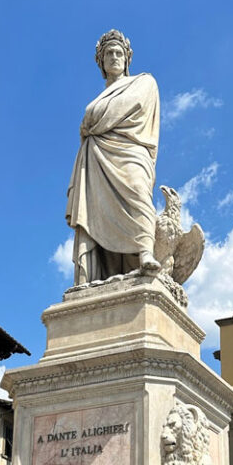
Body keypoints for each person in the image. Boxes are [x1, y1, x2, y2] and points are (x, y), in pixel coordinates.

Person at [66, 29, 162, 284]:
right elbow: (92, 117)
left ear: (127, 58)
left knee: (138, 193)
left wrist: (92, 119)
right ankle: (94, 274)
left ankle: (145, 254)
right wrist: (92, 119)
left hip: (131, 150)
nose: (114, 57)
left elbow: (126, 107)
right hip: (97, 158)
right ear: (101, 62)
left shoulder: (143, 82)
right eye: (108, 53)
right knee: (96, 212)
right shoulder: (100, 97)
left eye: (119, 53)